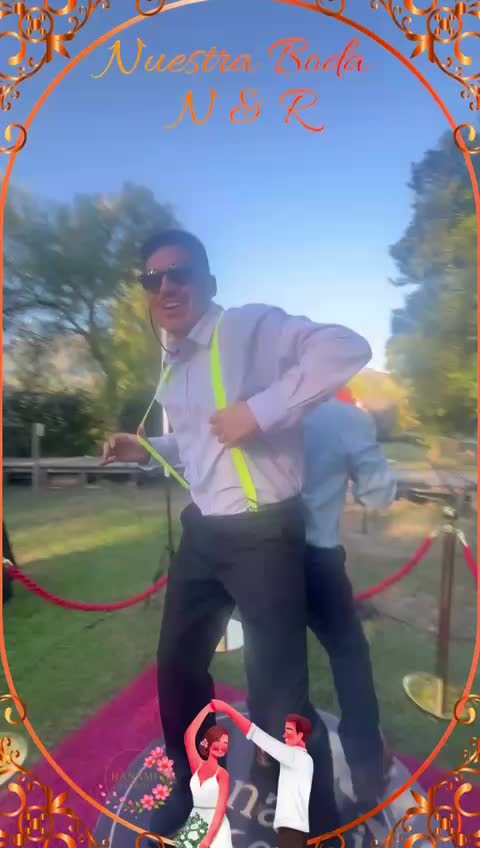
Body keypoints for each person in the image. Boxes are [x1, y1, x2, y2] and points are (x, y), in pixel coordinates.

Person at [101, 229, 372, 838]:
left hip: (263, 536)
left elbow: (347, 347)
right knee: (177, 670)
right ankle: (195, 782)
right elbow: (200, 444)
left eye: (180, 273)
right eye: (153, 279)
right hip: (203, 532)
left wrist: (261, 410)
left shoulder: (247, 327)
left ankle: (310, 827)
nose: (166, 287)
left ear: (209, 281)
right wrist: (145, 448)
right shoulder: (174, 362)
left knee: (281, 701)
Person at [301, 394, 397, 810]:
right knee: (349, 654)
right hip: (317, 557)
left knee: (272, 658)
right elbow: (377, 494)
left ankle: (270, 753)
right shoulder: (346, 418)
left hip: (261, 556)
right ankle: (366, 768)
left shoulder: (260, 407)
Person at [212, 699, 314, 848]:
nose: (285, 735)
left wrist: (230, 712)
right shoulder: (301, 758)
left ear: (300, 736)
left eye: (289, 732)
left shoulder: (294, 757)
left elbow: (256, 735)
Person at [176, 703, 232, 848]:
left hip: (215, 829)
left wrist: (208, 839)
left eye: (225, 743)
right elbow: (189, 736)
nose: (221, 746)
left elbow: (220, 810)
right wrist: (206, 710)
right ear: (209, 742)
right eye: (218, 741)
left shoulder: (222, 775)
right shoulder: (197, 765)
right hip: (195, 821)